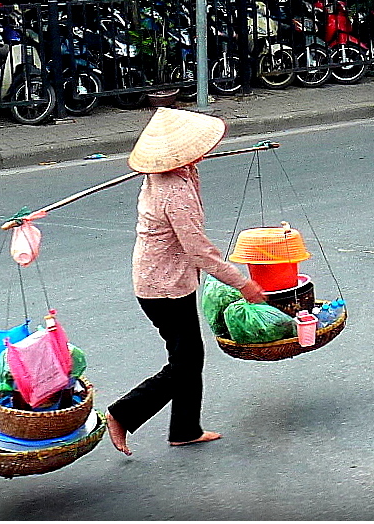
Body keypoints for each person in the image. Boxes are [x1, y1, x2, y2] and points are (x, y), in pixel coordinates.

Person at [106, 108, 268, 456]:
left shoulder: (168, 175)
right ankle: (123, 413)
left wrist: (192, 164)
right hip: (163, 287)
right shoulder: (172, 192)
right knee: (185, 362)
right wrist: (244, 285)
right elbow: (200, 253)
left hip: (164, 280)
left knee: (187, 355)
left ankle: (184, 428)